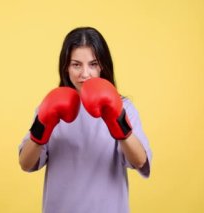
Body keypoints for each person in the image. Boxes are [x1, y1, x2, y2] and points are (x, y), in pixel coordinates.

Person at [18, 27, 152, 213]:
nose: (85, 73)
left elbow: (140, 161)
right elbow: (25, 163)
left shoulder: (124, 107)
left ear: (103, 65)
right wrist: (43, 125)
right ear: (66, 66)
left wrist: (118, 120)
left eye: (93, 64)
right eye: (76, 64)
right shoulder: (50, 106)